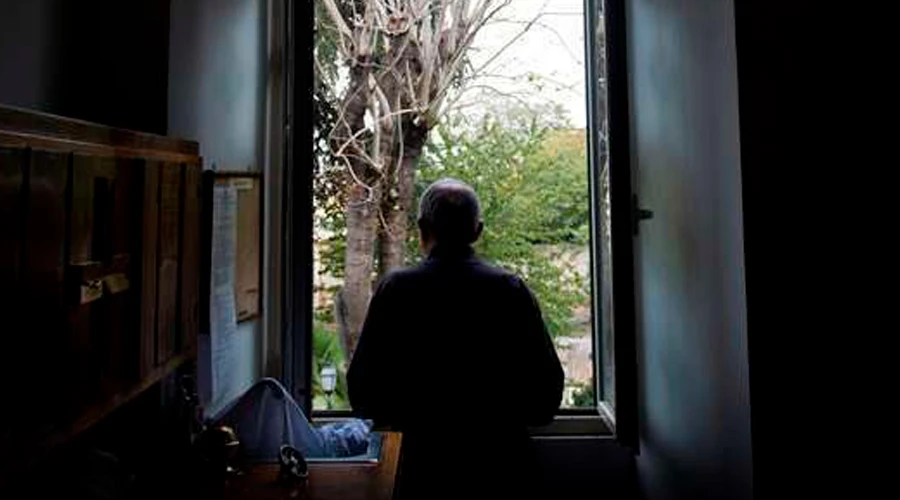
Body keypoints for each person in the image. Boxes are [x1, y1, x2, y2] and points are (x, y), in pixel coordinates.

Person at [347, 178, 564, 498]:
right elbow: (546, 396)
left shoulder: (396, 291)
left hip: (419, 470)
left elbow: (363, 394)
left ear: (422, 228)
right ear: (478, 231)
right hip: (502, 470)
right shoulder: (509, 290)